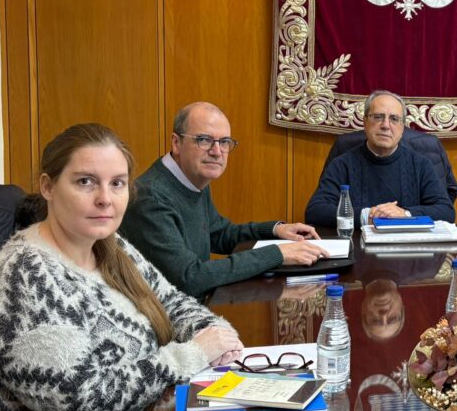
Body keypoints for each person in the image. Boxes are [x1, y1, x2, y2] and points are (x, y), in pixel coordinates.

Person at [0, 124, 244, 411]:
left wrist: (216, 334)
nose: (105, 198)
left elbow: (173, 302)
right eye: (86, 181)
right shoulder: (22, 275)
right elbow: (80, 399)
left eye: (117, 183)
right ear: (48, 187)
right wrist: (192, 354)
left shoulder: (110, 246)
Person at [120, 102, 328, 298]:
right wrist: (277, 254)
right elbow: (189, 277)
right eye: (204, 140)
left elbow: (219, 234)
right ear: (176, 143)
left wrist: (275, 230)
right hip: (166, 323)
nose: (217, 151)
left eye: (224, 142)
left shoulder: (192, 178)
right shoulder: (151, 198)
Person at [305, 91, 455, 227]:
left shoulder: (421, 165)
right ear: (365, 122)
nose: (385, 125)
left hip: (409, 251)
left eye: (394, 119)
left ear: (403, 127)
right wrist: (367, 215)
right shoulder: (342, 164)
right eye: (378, 117)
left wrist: (405, 214)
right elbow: (315, 211)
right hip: (357, 251)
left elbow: (446, 211)